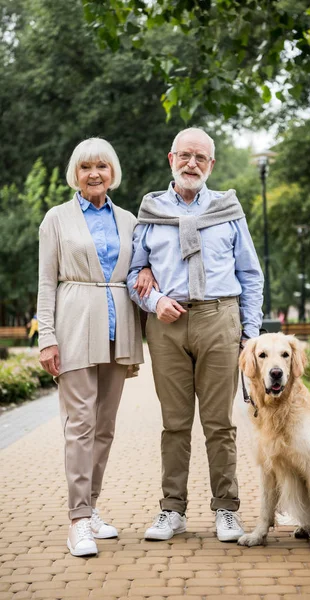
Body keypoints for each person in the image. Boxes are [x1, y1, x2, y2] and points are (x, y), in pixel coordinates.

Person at [127, 127, 264, 542]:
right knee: (174, 423)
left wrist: (251, 334)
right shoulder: (151, 211)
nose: (191, 164)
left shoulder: (228, 210)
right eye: (184, 156)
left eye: (200, 158)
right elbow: (134, 273)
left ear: (211, 165)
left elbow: (250, 274)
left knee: (220, 422)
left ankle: (226, 509)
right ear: (171, 159)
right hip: (167, 325)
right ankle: (173, 510)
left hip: (220, 318)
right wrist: (154, 303)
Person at [38, 138, 154, 557]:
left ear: (112, 172)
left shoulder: (129, 220)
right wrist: (46, 337)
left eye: (101, 166)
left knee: (104, 426)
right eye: (85, 166)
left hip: (117, 328)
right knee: (80, 424)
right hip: (72, 325)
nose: (93, 173)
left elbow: (140, 270)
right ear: (75, 172)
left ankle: (91, 508)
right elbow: (46, 282)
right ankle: (77, 521)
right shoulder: (56, 219)